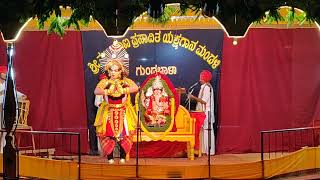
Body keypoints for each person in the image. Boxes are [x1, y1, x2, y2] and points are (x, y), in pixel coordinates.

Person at [94, 59, 138, 164]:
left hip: (123, 111)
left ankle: (122, 157)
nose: (114, 72)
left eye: (116, 70)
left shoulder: (126, 81)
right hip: (109, 112)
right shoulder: (105, 82)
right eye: (112, 70)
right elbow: (96, 91)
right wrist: (107, 91)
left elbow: (136, 88)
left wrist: (124, 90)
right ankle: (110, 158)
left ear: (120, 71)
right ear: (108, 72)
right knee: (109, 135)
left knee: (125, 135)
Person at [0, 65, 27, 153]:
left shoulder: (7, 84)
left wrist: (21, 95)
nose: (6, 75)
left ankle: (3, 151)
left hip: (5, 111)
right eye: (4, 73)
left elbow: (15, 92)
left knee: (6, 131)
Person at [188, 70, 215, 155]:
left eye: (201, 78)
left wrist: (193, 97)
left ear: (205, 78)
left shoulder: (207, 88)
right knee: (203, 131)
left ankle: (209, 151)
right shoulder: (203, 87)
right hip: (203, 112)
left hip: (207, 112)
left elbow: (203, 101)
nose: (200, 80)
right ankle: (203, 150)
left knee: (207, 130)